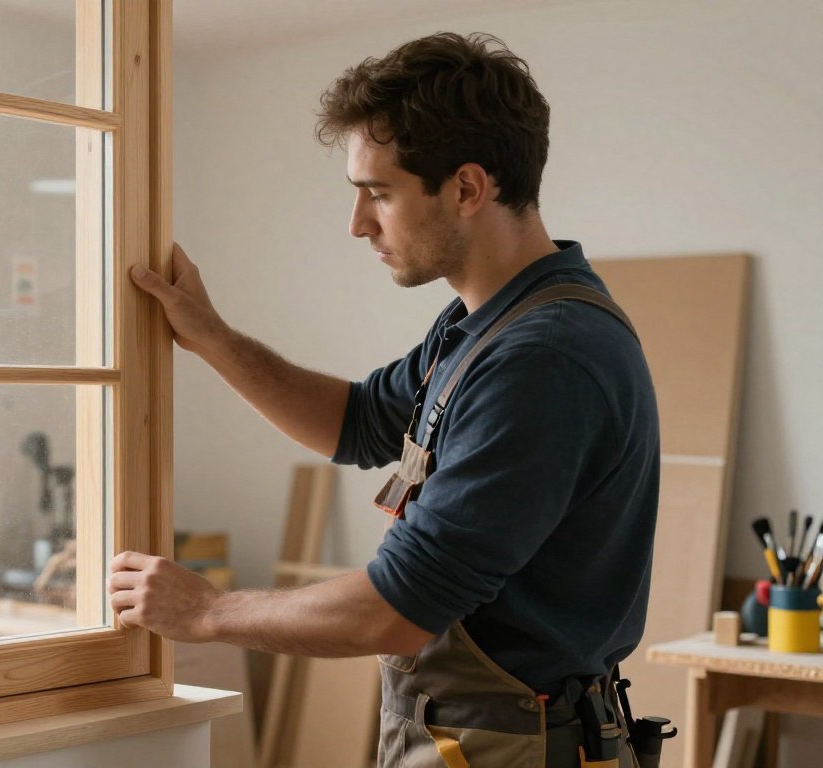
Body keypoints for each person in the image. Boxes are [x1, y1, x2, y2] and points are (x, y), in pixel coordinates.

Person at [108, 32, 660, 767]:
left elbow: (393, 612)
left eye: (379, 192)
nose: (358, 222)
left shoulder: (543, 359)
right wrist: (212, 339)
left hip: (517, 749)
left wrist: (207, 611)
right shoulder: (482, 324)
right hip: (473, 735)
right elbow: (358, 422)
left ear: (466, 188)